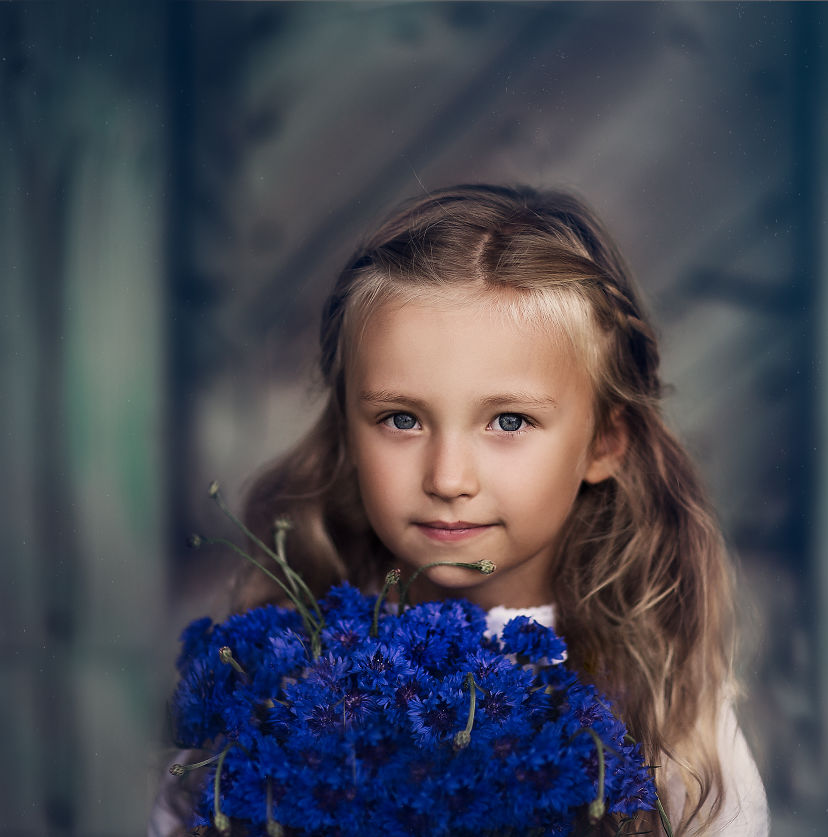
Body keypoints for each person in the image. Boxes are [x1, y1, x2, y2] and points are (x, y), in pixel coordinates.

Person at [150, 184, 769, 836]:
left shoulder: (676, 728)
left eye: (509, 421)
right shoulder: (277, 681)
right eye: (402, 418)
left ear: (605, 442)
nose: (448, 478)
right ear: (347, 432)